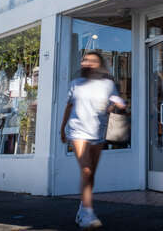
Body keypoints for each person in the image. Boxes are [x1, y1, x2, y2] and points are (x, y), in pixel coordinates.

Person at [61, 50, 126, 229]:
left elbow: (117, 102)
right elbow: (68, 106)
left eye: (91, 60)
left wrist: (116, 105)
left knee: (91, 173)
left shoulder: (107, 84)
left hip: (98, 131)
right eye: (84, 60)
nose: (87, 63)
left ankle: (83, 208)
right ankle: (88, 213)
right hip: (77, 131)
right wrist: (62, 129)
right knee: (87, 170)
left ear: (99, 64)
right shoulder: (76, 83)